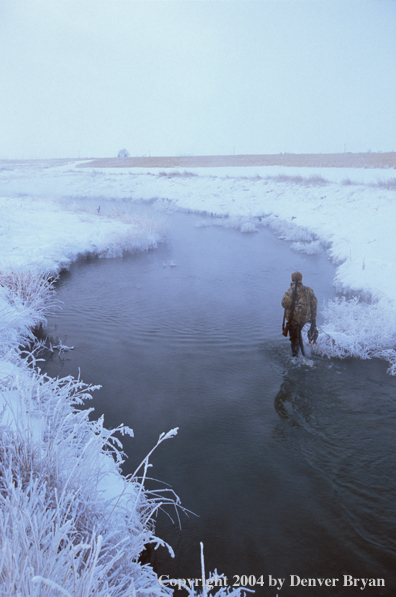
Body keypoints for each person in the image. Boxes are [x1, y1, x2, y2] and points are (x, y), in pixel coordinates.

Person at [281, 271, 318, 357]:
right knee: (298, 334)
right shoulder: (309, 290)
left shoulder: (290, 291)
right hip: (305, 319)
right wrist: (313, 319)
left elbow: (285, 304)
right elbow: (314, 305)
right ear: (301, 279)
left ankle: (296, 358)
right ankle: (303, 354)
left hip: (293, 319)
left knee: (294, 338)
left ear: (292, 279)